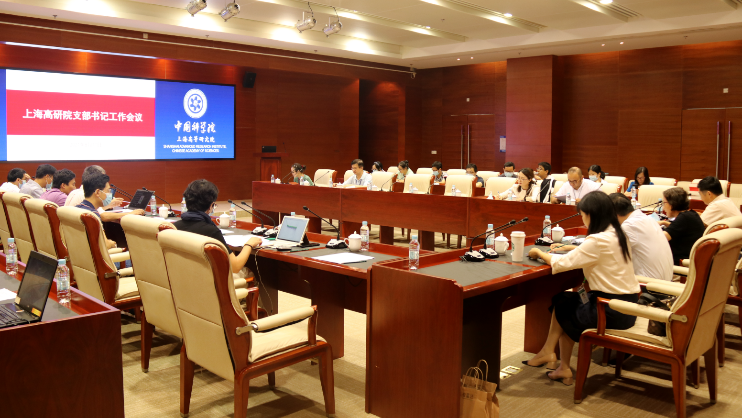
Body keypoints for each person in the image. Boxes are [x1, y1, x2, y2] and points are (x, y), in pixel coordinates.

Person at [525, 192, 639, 385]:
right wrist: (569, 249)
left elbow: (562, 263)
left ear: (592, 215)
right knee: (566, 301)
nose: (582, 219)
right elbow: (589, 254)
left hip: (609, 309)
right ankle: (559, 363)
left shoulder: (597, 240)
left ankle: (550, 353)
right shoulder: (618, 234)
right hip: (628, 307)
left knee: (563, 305)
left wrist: (539, 253)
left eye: (583, 215)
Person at [173, 179, 262, 275]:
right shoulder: (211, 231)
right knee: (251, 273)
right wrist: (249, 245)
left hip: (182, 277)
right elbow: (235, 267)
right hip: (209, 280)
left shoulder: (173, 227)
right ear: (211, 206)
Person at [610, 193, 673, 281]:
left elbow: (610, 253)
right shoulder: (648, 219)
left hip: (649, 285)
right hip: (665, 282)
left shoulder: (629, 226)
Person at [75, 173, 144, 249]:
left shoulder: (77, 208)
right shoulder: (93, 215)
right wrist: (111, 243)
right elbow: (105, 245)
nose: (110, 194)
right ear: (97, 192)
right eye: (108, 190)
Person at [659, 187, 705, 266]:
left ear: (672, 204)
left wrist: (650, 227)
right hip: (689, 258)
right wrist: (664, 223)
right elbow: (680, 228)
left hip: (679, 263)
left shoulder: (683, 218)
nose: (663, 207)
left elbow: (661, 238)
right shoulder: (691, 214)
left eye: (664, 203)